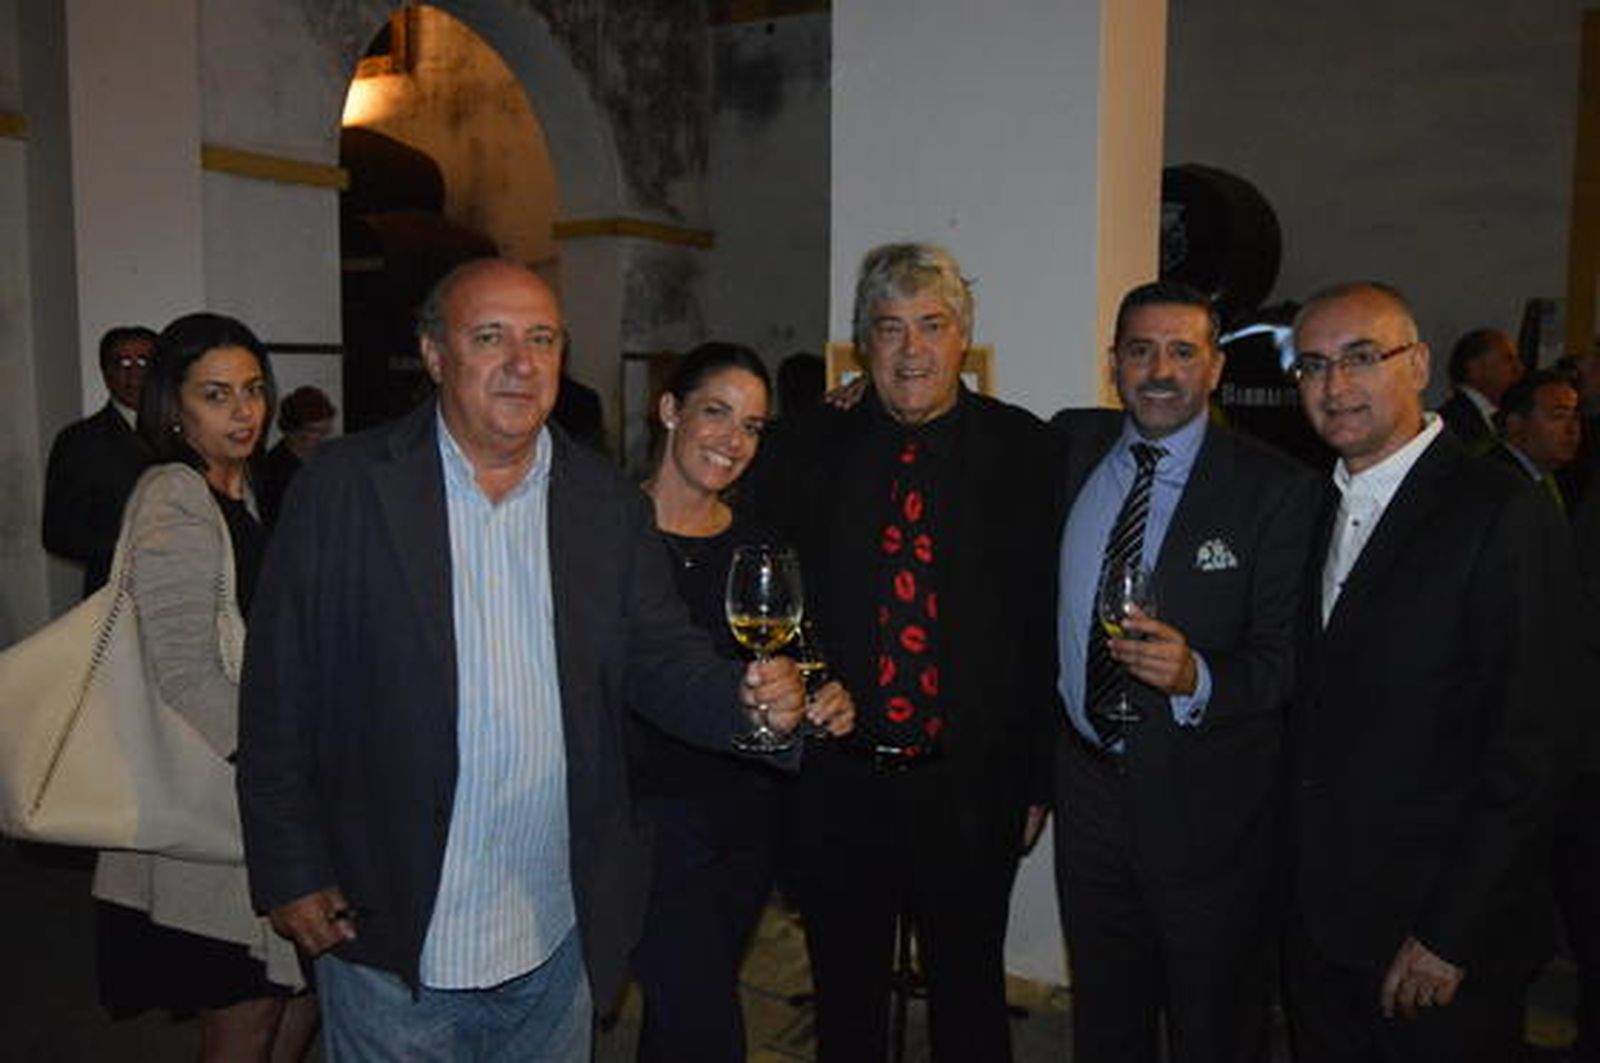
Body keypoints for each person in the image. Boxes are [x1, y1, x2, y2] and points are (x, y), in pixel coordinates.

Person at [236, 258, 834, 1061]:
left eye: (543, 340)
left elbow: (660, 656)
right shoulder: (345, 487)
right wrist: (290, 867)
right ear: (435, 354)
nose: (522, 363)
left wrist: (749, 703)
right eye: (491, 337)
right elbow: (280, 690)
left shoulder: (603, 504)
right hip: (391, 920)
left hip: (555, 930)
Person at [749, 242, 1057, 1062]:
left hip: (973, 781)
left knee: (970, 998)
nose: (911, 348)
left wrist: (1038, 776)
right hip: (839, 780)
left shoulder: (1028, 452)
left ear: (963, 337)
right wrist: (810, 679)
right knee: (845, 1001)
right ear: (863, 346)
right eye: (889, 328)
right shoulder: (806, 446)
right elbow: (768, 593)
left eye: (932, 325)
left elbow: (1039, 625)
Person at [1285, 282, 1576, 1061]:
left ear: (1416, 365)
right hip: (1320, 926)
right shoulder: (1311, 505)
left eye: (1360, 357)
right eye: (1312, 365)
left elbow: (1532, 749)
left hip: (1435, 941)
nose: (1334, 385)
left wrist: (1451, 932)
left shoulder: (1500, 511)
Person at [1050, 280, 1316, 1063]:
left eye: (1181, 351)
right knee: (1105, 1014)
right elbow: (966, 433)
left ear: (1215, 368)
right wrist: (859, 397)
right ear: (1114, 363)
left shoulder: (1277, 488)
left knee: (1214, 1023)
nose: (1160, 370)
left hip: (1210, 811)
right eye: (1140, 350)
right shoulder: (1070, 445)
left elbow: (1288, 660)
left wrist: (1198, 675)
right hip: (1088, 788)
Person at [93, 312, 316, 1060]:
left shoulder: (238, 489)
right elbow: (186, 672)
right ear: (173, 406)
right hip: (218, 800)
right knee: (247, 1017)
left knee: (295, 994)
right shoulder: (176, 495)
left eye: (253, 389)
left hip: (247, 792)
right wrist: (284, 766)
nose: (244, 410)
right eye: (215, 394)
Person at [628, 341, 853, 1062]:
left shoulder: (759, 546)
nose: (734, 439)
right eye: (717, 412)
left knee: (684, 1014)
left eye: (752, 426)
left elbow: (800, 661)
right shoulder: (609, 532)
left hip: (746, 817)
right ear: (670, 409)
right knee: (706, 1023)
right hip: (645, 819)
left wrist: (825, 699)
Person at [42, 325, 157, 596]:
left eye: (144, 362)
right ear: (105, 373)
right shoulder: (80, 441)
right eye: (123, 363)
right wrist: (133, 545)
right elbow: (57, 535)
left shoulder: (188, 432)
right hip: (113, 596)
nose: (134, 374)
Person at [1488, 368, 1582, 511]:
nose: (1572, 429)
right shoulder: (1497, 482)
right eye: (1559, 416)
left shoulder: (1555, 477)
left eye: (1576, 417)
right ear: (1515, 424)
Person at [256, 385, 336, 526]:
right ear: (293, 431)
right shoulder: (273, 472)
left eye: (326, 431)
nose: (323, 439)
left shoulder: (325, 460)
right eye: (315, 431)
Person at [1435, 327, 1523, 453]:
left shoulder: (1503, 418)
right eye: (1508, 359)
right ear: (1476, 368)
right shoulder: (1451, 423)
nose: (1519, 369)